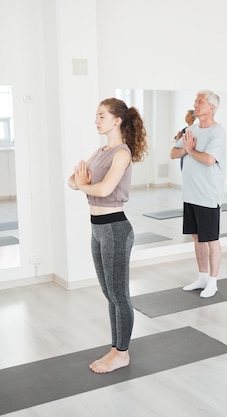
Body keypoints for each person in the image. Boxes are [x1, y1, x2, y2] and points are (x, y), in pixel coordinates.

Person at [68, 97, 147, 373]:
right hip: (98, 229)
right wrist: (82, 183)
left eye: (101, 116)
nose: (96, 120)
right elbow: (72, 180)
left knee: (119, 294)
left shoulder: (121, 153)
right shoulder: (100, 151)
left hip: (115, 228)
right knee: (109, 293)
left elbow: (102, 190)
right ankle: (115, 348)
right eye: (96, 116)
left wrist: (82, 184)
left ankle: (122, 353)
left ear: (117, 120)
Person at [170, 90, 226, 298]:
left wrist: (190, 150)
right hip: (190, 195)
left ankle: (213, 281)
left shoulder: (217, 132)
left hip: (208, 195)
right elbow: (173, 152)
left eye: (200, 102)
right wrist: (186, 149)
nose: (196, 104)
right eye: (195, 101)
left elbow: (210, 159)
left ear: (211, 107)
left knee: (211, 239)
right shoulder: (190, 129)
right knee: (196, 238)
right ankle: (202, 277)